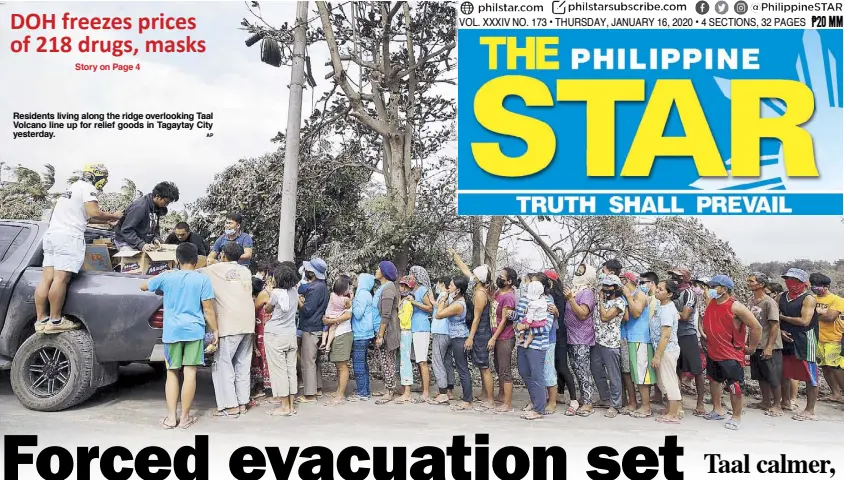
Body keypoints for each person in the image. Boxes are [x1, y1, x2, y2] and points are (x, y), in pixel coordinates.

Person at [35, 163, 122, 333]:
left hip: (52, 235)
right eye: (103, 178)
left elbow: (84, 217)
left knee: (47, 278)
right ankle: (55, 321)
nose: (104, 182)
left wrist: (107, 221)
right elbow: (93, 212)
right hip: (68, 238)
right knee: (61, 279)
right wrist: (114, 215)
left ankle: (41, 320)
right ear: (96, 176)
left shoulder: (71, 188)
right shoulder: (88, 188)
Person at [140, 243, 218, 430]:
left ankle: (170, 418)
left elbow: (143, 286)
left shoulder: (167, 277)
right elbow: (208, 309)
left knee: (172, 372)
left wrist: (163, 277)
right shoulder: (203, 280)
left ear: (177, 259)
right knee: (190, 373)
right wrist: (215, 331)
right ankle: (185, 418)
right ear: (196, 260)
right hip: (194, 331)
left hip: (172, 332)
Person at [700, 275, 762, 430]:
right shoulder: (711, 303)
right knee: (714, 380)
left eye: (714, 286)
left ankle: (736, 416)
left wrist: (752, 347)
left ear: (725, 289)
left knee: (735, 385)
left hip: (730, 354)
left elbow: (756, 327)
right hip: (713, 351)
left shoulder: (736, 306)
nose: (711, 289)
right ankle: (718, 409)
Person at [202, 242, 255, 418]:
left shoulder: (215, 269)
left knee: (223, 365)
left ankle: (229, 406)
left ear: (222, 254)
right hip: (248, 324)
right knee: (242, 364)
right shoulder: (246, 271)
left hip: (229, 324)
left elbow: (191, 272)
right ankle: (242, 403)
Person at [778, 268, 820, 421]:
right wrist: (780, 330)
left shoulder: (808, 298)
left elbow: (804, 321)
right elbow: (774, 319)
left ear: (803, 283)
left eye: (795, 280)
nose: (791, 283)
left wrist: (782, 317)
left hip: (805, 338)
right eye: (788, 279)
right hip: (786, 336)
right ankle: (786, 401)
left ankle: (810, 409)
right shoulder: (781, 296)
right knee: (784, 371)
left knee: (810, 374)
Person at [666, 267, 706, 417]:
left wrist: (669, 312)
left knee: (696, 370)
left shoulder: (689, 293)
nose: (674, 278)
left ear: (685, 278)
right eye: (672, 275)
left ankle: (700, 402)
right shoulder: (672, 292)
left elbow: (685, 315)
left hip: (687, 335)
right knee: (676, 369)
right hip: (673, 335)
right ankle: (677, 401)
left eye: (677, 276)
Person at [513, 274, 553, 421]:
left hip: (538, 345)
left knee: (537, 375)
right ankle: (536, 399)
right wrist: (516, 321)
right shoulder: (524, 299)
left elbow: (546, 326)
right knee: (524, 371)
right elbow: (518, 317)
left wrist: (526, 327)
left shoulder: (547, 302)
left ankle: (539, 408)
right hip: (522, 343)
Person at [263, 265, 300, 416]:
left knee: (279, 371)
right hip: (291, 334)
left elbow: (267, 309)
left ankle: (284, 406)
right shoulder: (295, 292)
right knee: (291, 370)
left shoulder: (276, 293)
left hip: (275, 335)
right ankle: (291, 405)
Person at [620, 271, 657, 418]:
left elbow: (636, 313)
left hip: (640, 338)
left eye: (623, 280)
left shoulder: (639, 294)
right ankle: (634, 403)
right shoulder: (625, 295)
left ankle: (646, 406)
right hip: (628, 337)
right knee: (632, 372)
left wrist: (628, 296)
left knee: (642, 373)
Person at [747, 272, 784, 417]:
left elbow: (774, 325)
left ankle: (777, 405)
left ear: (761, 284)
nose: (749, 283)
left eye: (752, 281)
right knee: (760, 374)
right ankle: (765, 401)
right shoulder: (751, 301)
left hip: (770, 344)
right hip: (756, 343)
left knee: (773, 375)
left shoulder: (769, 302)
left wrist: (769, 346)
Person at [564, 264, 598, 417]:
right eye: (578, 269)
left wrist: (571, 299)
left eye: (582, 271)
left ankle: (589, 402)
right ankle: (584, 397)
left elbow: (583, 314)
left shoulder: (587, 293)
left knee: (583, 370)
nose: (578, 272)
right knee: (576, 368)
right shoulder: (576, 290)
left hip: (582, 337)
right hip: (571, 336)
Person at [435, 276, 473, 411]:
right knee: (461, 368)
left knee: (462, 369)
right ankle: (467, 398)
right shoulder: (457, 301)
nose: (448, 288)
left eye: (450, 286)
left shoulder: (458, 305)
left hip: (459, 338)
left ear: (457, 290)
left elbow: (438, 314)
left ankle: (468, 400)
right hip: (456, 337)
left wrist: (444, 298)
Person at [592, 274, 627, 418]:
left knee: (613, 375)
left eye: (609, 286)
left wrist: (600, 300)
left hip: (611, 342)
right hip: (597, 340)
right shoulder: (603, 302)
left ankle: (615, 404)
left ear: (616, 288)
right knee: (596, 370)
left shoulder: (619, 302)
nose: (605, 289)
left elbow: (605, 317)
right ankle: (605, 398)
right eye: (604, 286)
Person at [297, 257, 330, 403]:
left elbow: (307, 311)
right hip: (317, 327)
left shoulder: (315, 288)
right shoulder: (322, 286)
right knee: (314, 361)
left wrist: (299, 302)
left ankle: (309, 395)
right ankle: (317, 388)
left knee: (308, 362)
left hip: (310, 327)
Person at [650, 280, 683, 424]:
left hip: (667, 351)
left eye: (661, 289)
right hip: (663, 350)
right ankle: (671, 409)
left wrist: (658, 355)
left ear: (669, 294)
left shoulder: (668, 310)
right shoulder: (662, 306)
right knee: (663, 380)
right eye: (657, 288)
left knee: (669, 380)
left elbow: (665, 335)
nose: (657, 290)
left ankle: (673, 414)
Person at [546, 270, 578, 416]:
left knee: (561, 366)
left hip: (558, 334)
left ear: (549, 282)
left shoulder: (553, 296)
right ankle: (559, 393)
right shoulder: (558, 294)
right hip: (559, 333)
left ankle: (573, 399)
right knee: (557, 365)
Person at [809, 273, 844, 403]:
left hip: (834, 338)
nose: (814, 287)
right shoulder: (811, 298)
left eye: (817, 285)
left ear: (826, 286)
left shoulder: (837, 300)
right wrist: (820, 313)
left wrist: (811, 314)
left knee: (835, 367)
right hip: (818, 338)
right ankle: (836, 394)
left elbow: (830, 318)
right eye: (812, 285)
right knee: (825, 367)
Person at [489, 268, 520, 413]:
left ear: (509, 281)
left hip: (504, 337)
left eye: (501, 277)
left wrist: (494, 338)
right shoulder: (498, 292)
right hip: (497, 335)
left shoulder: (508, 297)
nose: (498, 278)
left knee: (505, 370)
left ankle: (507, 403)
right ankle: (501, 395)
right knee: (498, 367)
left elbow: (504, 320)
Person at [115, 181, 179, 251]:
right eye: (166, 202)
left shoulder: (157, 208)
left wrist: (156, 238)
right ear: (157, 196)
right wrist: (141, 244)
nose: (167, 205)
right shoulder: (140, 207)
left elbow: (154, 228)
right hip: (125, 242)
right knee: (135, 261)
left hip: (142, 242)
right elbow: (126, 230)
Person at [374, 261, 401, 405]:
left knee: (387, 361)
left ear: (384, 272)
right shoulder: (385, 288)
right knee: (384, 360)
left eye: (378, 268)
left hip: (388, 332)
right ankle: (387, 388)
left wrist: (380, 335)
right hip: (385, 330)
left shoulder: (388, 289)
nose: (376, 270)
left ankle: (390, 391)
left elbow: (386, 315)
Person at [324, 277, 354, 406]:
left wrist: (329, 321)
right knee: (338, 365)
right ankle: (338, 391)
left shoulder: (345, 300)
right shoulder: (342, 298)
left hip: (343, 332)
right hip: (338, 333)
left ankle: (341, 395)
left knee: (342, 365)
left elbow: (347, 315)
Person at [408, 266, 435, 403]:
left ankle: (426, 392)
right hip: (414, 327)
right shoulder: (413, 290)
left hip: (421, 327)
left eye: (411, 275)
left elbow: (430, 308)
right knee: (418, 360)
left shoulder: (423, 290)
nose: (409, 277)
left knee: (422, 360)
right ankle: (422, 386)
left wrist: (414, 302)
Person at [429, 276, 456, 405]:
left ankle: (442, 392)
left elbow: (439, 308)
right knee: (447, 362)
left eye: (438, 284)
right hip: (449, 332)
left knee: (437, 361)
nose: (437, 286)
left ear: (441, 284)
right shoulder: (451, 296)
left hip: (440, 331)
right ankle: (449, 390)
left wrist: (431, 300)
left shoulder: (444, 295)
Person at [350, 273, 377, 402]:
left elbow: (358, 314)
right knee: (363, 363)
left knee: (358, 364)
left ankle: (362, 393)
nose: (356, 282)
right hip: (367, 333)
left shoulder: (361, 295)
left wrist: (352, 300)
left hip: (360, 333)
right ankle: (365, 390)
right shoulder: (368, 294)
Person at [395, 276, 416, 403]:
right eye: (401, 285)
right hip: (403, 332)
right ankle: (404, 388)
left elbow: (404, 320)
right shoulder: (404, 301)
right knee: (402, 361)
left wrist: (398, 311)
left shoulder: (407, 303)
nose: (402, 287)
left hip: (405, 332)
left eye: (405, 286)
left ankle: (407, 391)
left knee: (405, 361)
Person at [321, 278, 353, 354]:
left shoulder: (332, 295)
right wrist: (351, 298)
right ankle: (328, 345)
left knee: (325, 329)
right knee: (332, 330)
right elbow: (348, 307)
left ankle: (323, 341)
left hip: (328, 315)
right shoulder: (346, 299)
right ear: (345, 291)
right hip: (336, 317)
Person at [522, 281, 546, 348]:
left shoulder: (533, 304)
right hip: (542, 320)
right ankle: (525, 341)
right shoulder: (543, 300)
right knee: (532, 333)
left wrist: (527, 323)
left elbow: (530, 315)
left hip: (534, 321)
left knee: (528, 330)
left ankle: (525, 341)